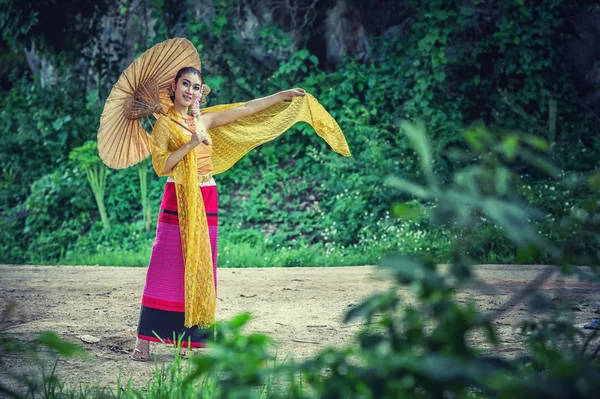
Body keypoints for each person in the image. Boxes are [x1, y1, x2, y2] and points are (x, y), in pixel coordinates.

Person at [131, 66, 310, 361]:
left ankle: (192, 341)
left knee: (202, 267)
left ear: (201, 92)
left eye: (196, 86)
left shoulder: (204, 119)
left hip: (206, 194)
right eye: (185, 84)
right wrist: (190, 144)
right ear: (173, 87)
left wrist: (284, 95)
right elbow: (162, 167)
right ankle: (144, 341)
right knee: (166, 266)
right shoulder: (163, 125)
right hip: (178, 196)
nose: (190, 90)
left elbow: (246, 109)